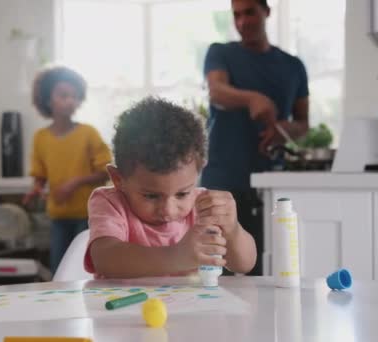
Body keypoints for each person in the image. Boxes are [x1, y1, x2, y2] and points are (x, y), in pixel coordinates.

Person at [84, 97, 257, 278]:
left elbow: (244, 264)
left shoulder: (204, 206)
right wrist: (176, 256)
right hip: (125, 306)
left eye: (182, 194)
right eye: (151, 196)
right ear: (118, 179)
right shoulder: (110, 202)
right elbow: (104, 259)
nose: (168, 210)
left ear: (197, 173)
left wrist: (233, 229)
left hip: (191, 306)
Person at [202, 0, 310, 275]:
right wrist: (253, 98)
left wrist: (283, 130)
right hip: (223, 182)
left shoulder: (293, 66)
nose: (242, 22)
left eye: (249, 12)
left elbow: (303, 123)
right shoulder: (220, 53)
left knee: (268, 268)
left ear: (267, 11)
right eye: (236, 15)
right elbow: (216, 91)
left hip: (270, 185)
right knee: (217, 271)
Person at [25, 65, 112, 275]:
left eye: (74, 96)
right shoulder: (41, 138)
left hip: (87, 215)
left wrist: (75, 183)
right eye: (63, 95)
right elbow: (40, 174)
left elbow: (107, 170)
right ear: (48, 100)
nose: (70, 100)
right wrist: (36, 189)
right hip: (58, 216)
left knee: (83, 270)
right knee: (59, 270)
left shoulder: (88, 133)